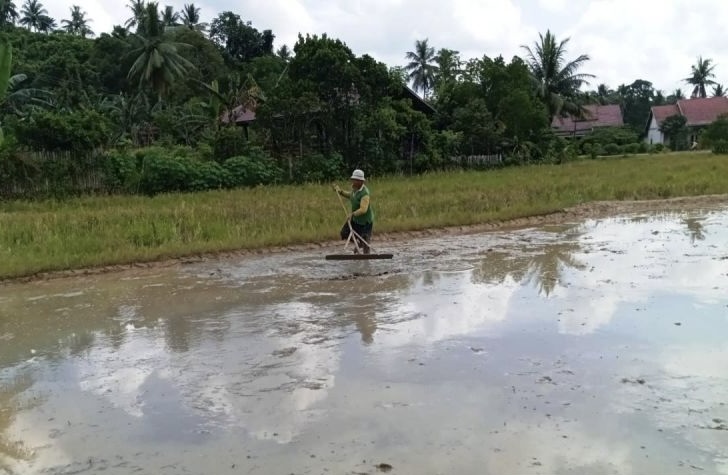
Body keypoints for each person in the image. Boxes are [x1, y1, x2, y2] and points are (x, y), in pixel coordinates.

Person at [333, 169, 374, 254]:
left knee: (366, 245)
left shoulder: (365, 193)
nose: (353, 182)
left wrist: (352, 214)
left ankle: (366, 256)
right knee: (344, 233)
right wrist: (340, 192)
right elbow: (351, 195)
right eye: (353, 179)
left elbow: (363, 209)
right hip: (356, 220)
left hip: (365, 222)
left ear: (360, 181)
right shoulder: (354, 189)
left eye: (355, 180)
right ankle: (359, 243)